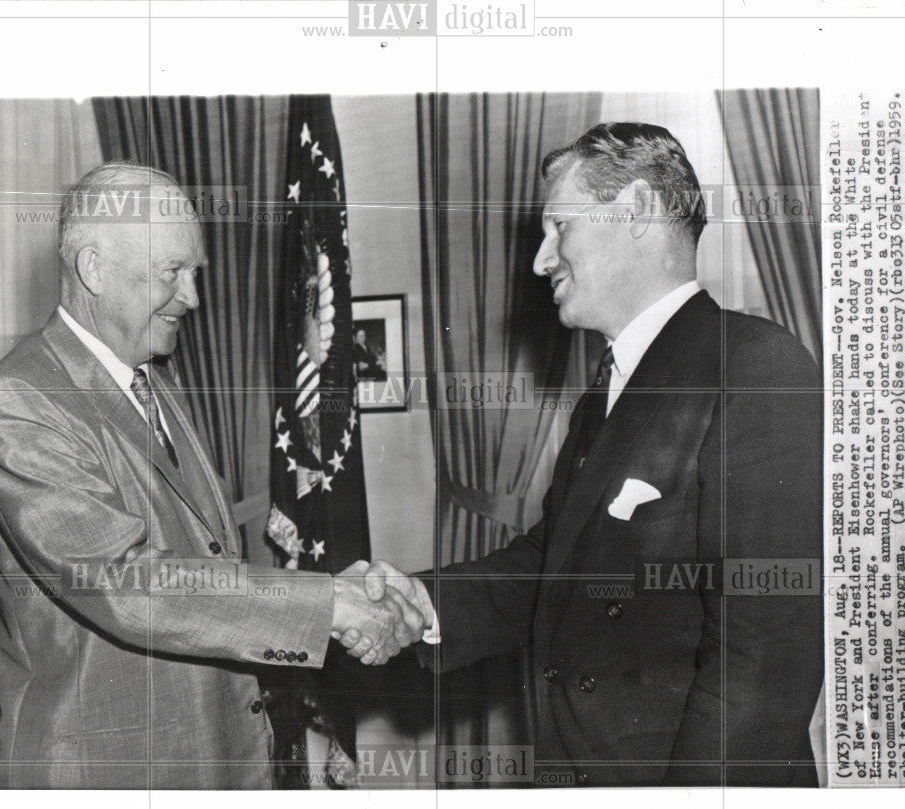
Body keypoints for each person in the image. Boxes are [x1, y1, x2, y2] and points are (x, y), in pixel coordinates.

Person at [353, 123, 824, 787]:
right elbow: (555, 566)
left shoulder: (753, 367)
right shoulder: (604, 394)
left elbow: (763, 662)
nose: (542, 259)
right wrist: (425, 602)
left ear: (633, 211)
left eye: (559, 227)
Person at [0, 162, 426, 789]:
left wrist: (328, 593)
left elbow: (197, 560)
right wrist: (326, 606)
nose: (193, 298)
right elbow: (124, 579)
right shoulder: (20, 400)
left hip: (218, 754)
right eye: (171, 273)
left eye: (195, 272)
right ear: (93, 269)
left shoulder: (154, 378)